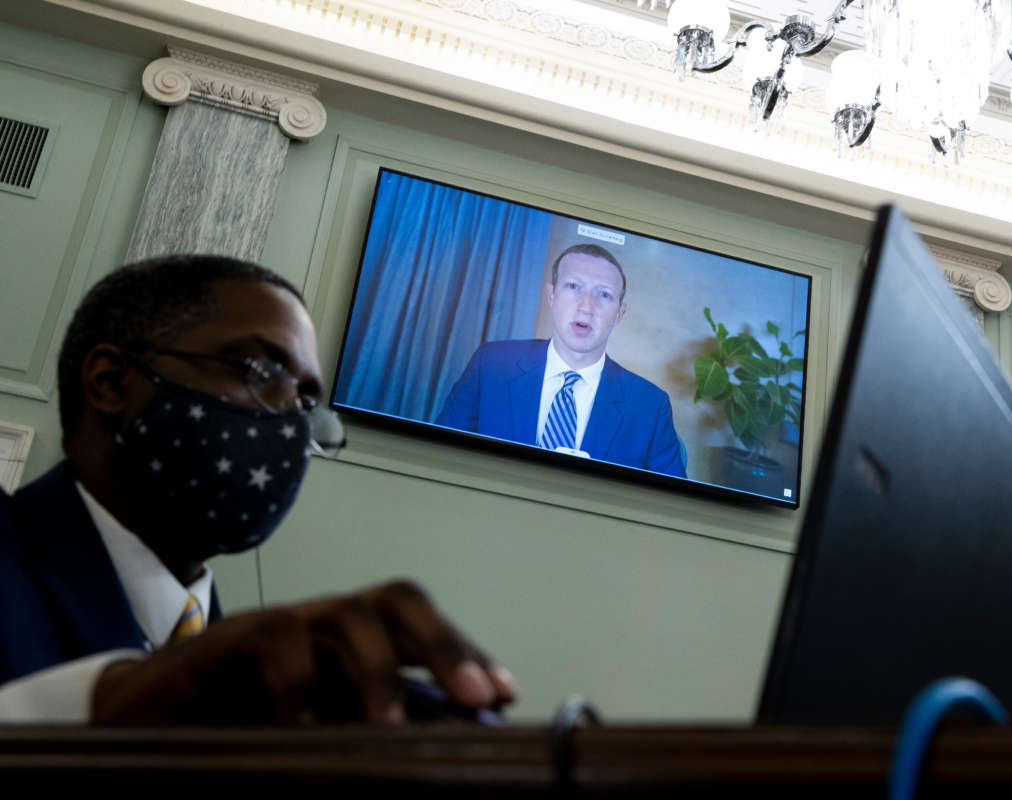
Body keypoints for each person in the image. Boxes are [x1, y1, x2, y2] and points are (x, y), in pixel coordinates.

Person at [0, 255, 515, 723]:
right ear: (112, 382)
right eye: (262, 371)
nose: (292, 424)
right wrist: (116, 701)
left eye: (308, 403)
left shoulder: (258, 682)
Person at [436, 244, 686, 479]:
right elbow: (440, 456)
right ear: (551, 295)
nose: (586, 307)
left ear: (619, 314)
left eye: (604, 295)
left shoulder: (650, 406)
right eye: (573, 286)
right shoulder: (491, 365)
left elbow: (673, 505)